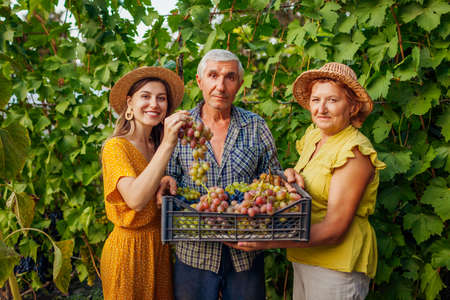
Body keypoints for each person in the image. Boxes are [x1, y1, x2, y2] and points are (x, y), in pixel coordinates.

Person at [229, 62, 386, 300]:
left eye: (332, 100)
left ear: (353, 107)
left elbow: (334, 230)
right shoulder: (315, 136)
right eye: (315, 100)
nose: (321, 108)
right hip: (306, 258)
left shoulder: (353, 152)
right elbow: (309, 183)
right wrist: (289, 175)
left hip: (336, 267)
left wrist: (268, 242)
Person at [165, 49, 281, 300]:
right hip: (193, 253)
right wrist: (168, 180)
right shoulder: (181, 127)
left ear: (239, 84)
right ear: (200, 81)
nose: (220, 85)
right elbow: (169, 175)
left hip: (245, 252)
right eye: (213, 75)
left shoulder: (256, 126)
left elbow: (273, 179)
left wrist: (286, 179)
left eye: (229, 77)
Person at [100, 66, 189, 300]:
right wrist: (168, 144)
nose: (154, 104)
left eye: (161, 98)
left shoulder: (154, 145)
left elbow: (148, 183)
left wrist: (164, 180)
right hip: (128, 252)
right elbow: (136, 200)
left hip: (158, 248)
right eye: (145, 96)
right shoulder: (116, 147)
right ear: (130, 103)